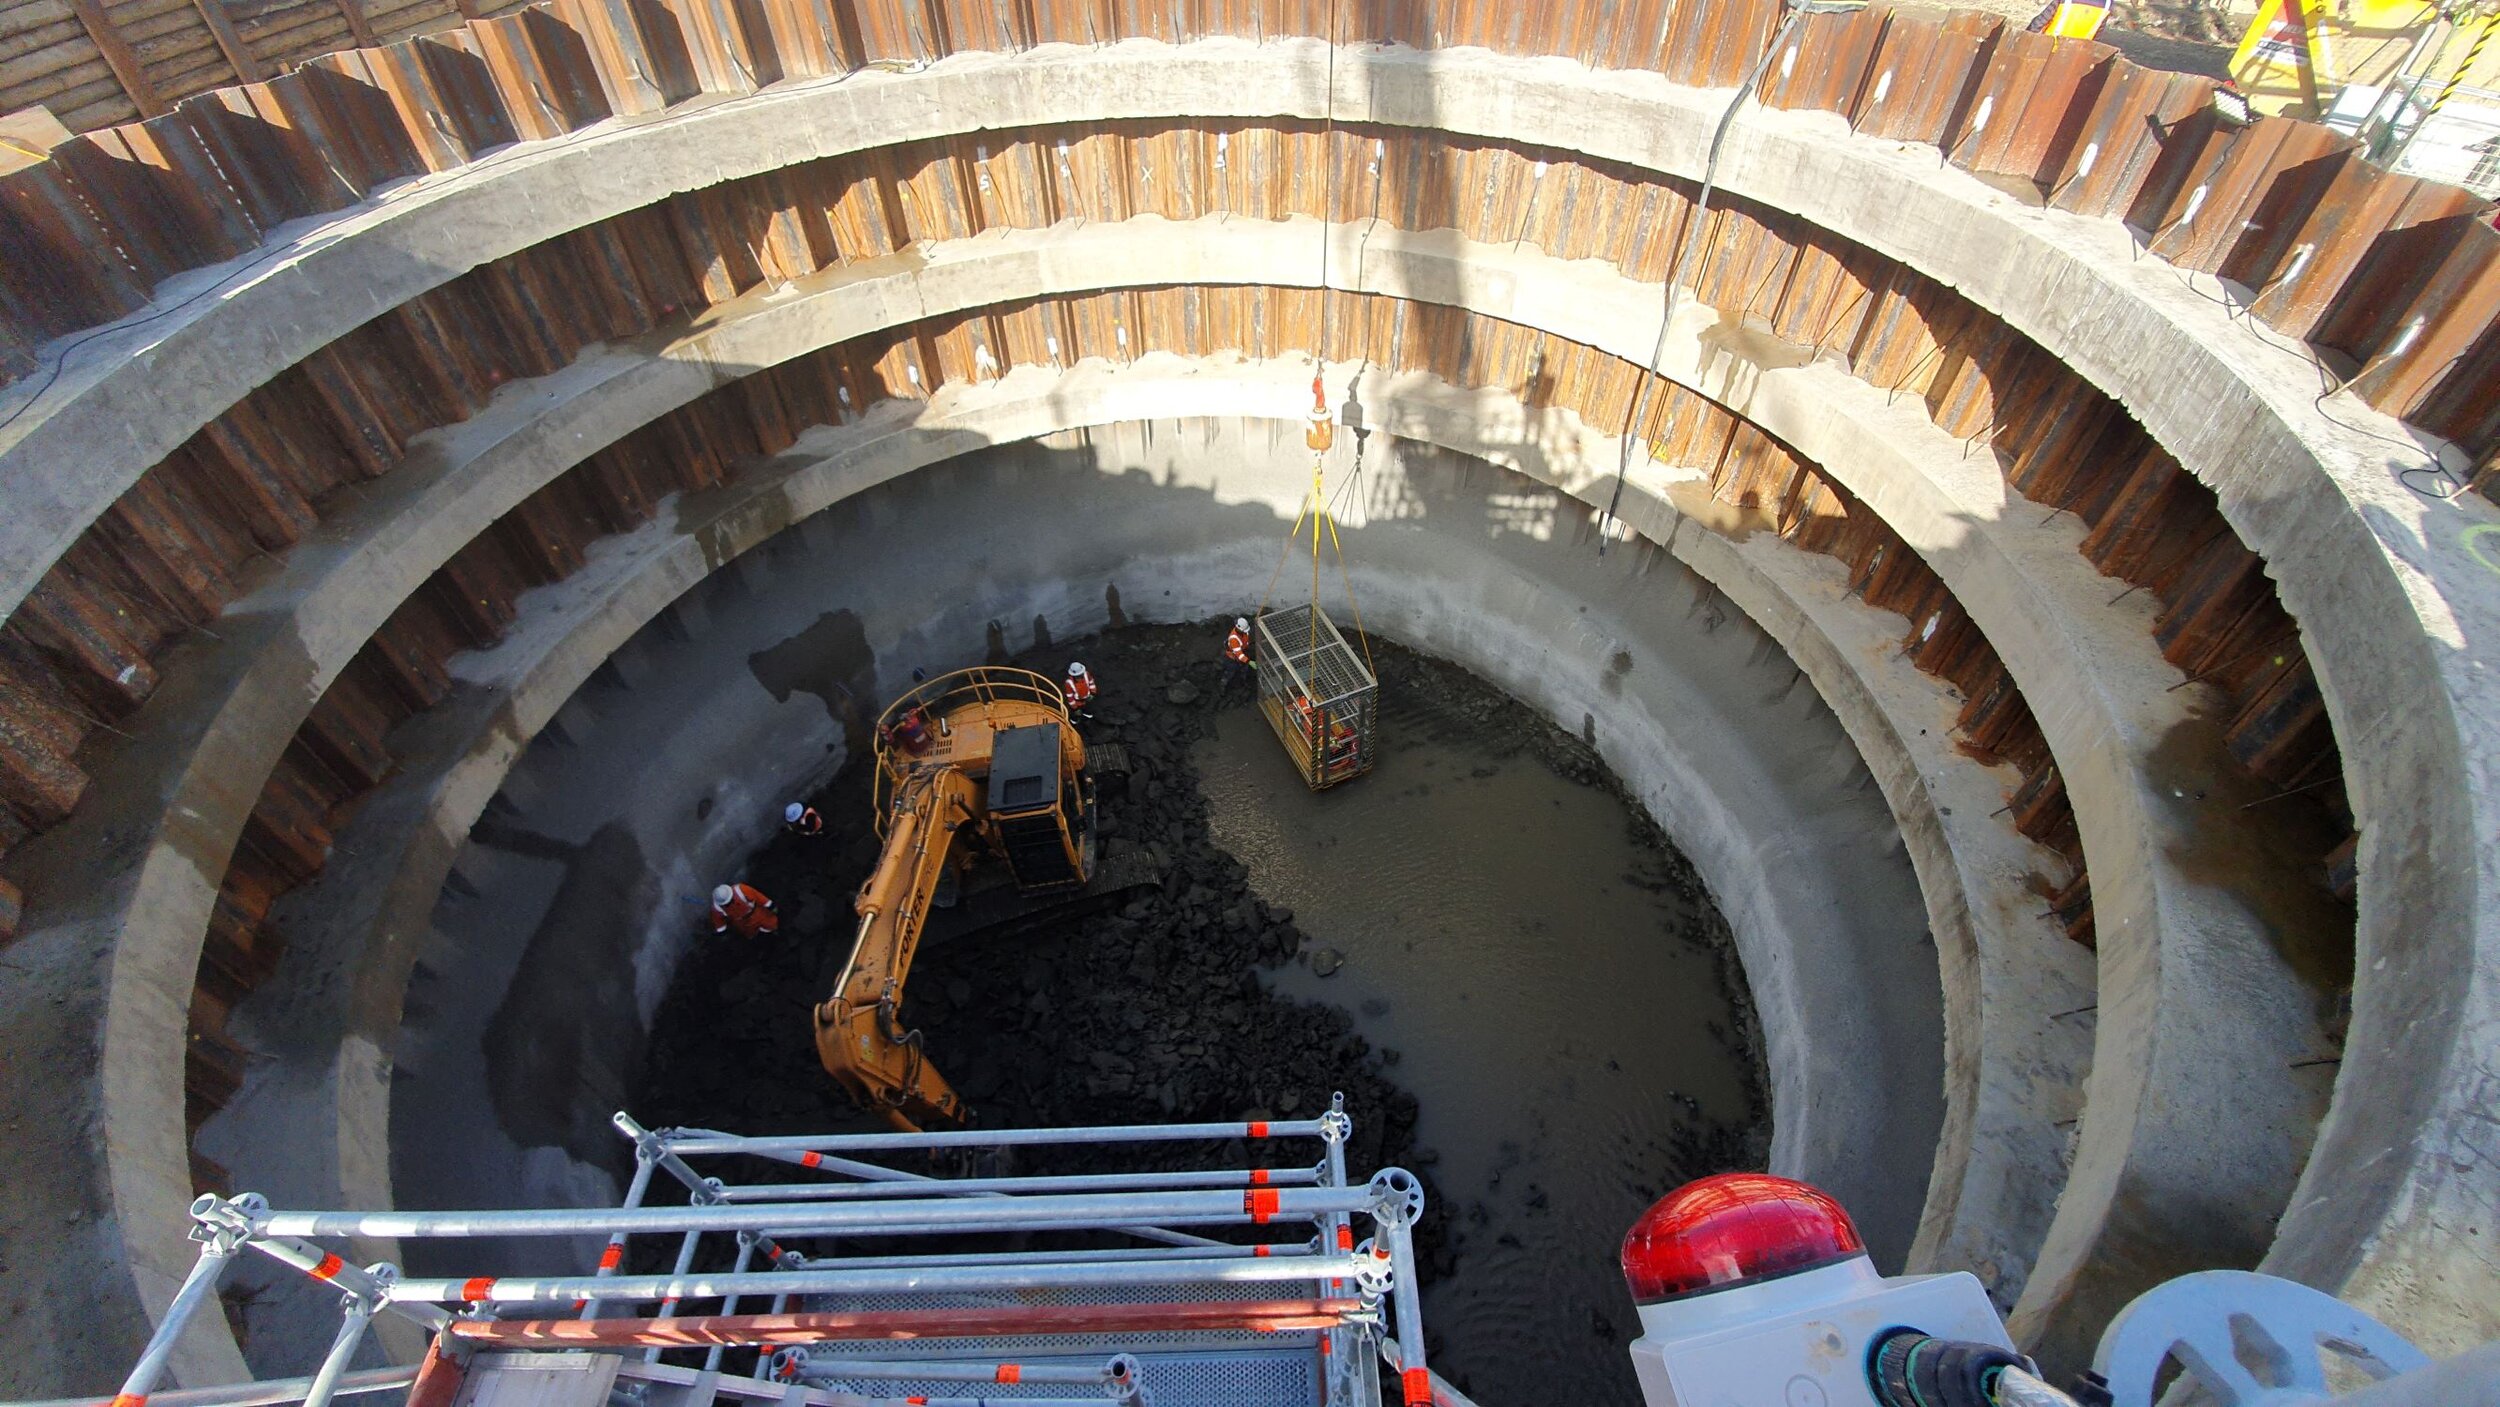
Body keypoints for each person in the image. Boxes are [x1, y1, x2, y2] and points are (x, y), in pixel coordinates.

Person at [710, 882, 780, 937]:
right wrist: (722, 932)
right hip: (742, 923)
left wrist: (771, 905)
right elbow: (718, 920)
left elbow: (757, 896)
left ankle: (775, 931)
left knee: (771, 923)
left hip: (756, 912)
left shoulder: (741, 890)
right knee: (750, 934)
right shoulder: (717, 908)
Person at [1222, 617, 1255, 694]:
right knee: (1230, 672)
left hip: (1243, 651)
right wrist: (1249, 662)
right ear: (1238, 628)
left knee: (1244, 669)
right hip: (1232, 658)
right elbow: (1239, 655)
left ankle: (1242, 682)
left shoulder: (1244, 631)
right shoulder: (1234, 639)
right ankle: (1223, 686)